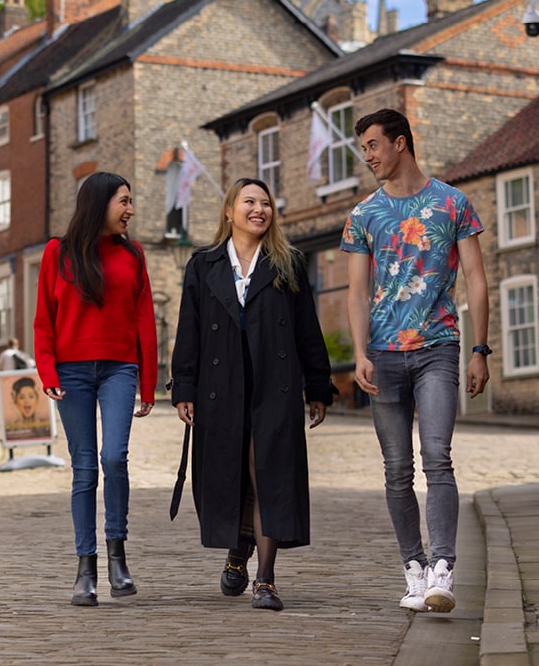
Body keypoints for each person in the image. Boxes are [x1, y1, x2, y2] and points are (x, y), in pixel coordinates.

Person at [342, 108, 489, 614]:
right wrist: (359, 352)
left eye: (373, 146)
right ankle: (414, 569)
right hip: (383, 356)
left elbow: (475, 278)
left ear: (400, 143)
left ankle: (443, 569)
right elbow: (357, 292)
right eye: (363, 149)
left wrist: (479, 349)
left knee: (437, 456)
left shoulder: (453, 203)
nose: (367, 157)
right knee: (396, 469)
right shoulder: (364, 215)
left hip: (438, 348)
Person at [171, 177, 333, 611]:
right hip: (219, 388)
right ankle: (237, 551)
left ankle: (265, 579)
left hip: (273, 385)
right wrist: (183, 386)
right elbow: (189, 331)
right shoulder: (203, 265)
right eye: (250, 202)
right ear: (230, 211)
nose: (259, 209)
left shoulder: (288, 263)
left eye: (266, 203)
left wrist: (317, 386)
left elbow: (306, 330)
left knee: (270, 476)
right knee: (231, 474)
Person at [34, 172, 157, 607]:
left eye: (130, 201)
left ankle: (117, 558)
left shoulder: (133, 254)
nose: (131, 210)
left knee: (114, 457)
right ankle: (85, 568)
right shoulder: (58, 252)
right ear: (100, 203)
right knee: (85, 469)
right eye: (124, 201)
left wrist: (148, 381)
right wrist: (48, 371)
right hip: (71, 373)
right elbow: (44, 318)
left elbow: (145, 318)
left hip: (119, 368)